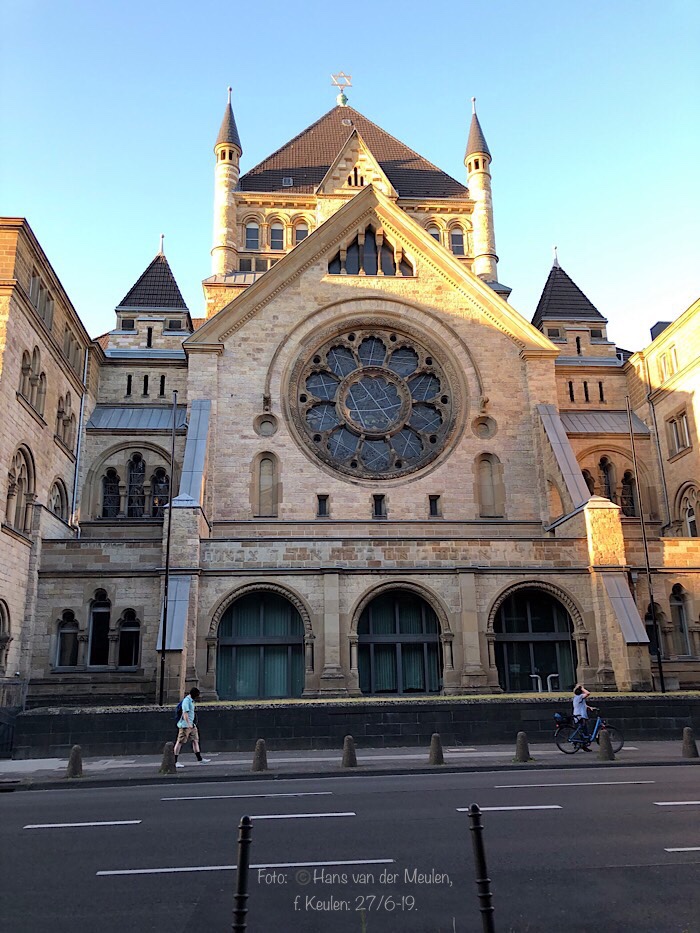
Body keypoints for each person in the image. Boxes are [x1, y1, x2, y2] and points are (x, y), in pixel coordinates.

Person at [173, 687, 210, 768]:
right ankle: (174, 761)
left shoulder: (191, 701)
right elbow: (185, 713)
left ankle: (200, 759)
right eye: (196, 695)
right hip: (185, 726)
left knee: (195, 740)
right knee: (180, 742)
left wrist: (192, 724)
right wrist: (188, 723)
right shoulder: (186, 701)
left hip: (192, 725)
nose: (197, 697)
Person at [572, 684, 592, 749]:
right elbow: (588, 693)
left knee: (583, 730)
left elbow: (582, 705)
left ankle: (583, 744)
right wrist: (582, 688)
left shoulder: (577, 698)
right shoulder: (579, 696)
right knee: (583, 730)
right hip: (580, 716)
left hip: (579, 715)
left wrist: (589, 707)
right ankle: (579, 743)